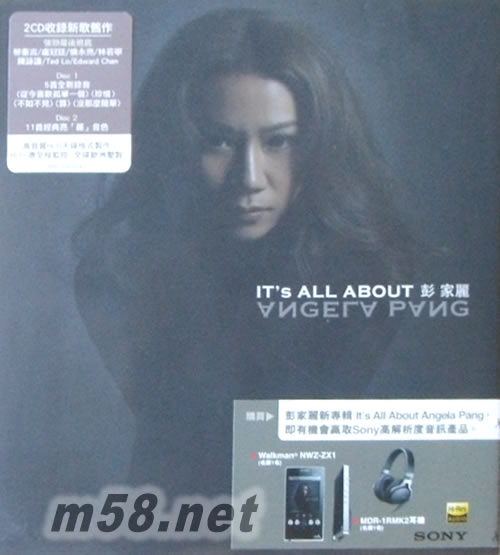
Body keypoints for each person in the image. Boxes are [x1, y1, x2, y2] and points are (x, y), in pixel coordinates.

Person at [73, 8, 417, 501]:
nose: (250, 178)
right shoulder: (118, 277)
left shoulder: (372, 277)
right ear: (176, 146)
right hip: (172, 520)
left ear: (319, 145)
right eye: (218, 143)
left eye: (278, 142)